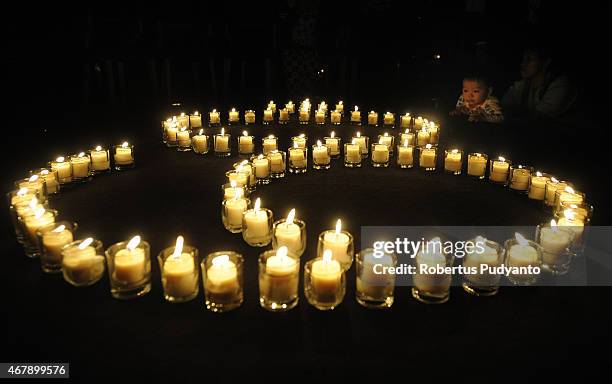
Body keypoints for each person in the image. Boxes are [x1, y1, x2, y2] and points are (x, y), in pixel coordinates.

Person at [502, 45, 576, 118]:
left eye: (529, 59)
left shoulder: (560, 86)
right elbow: (504, 106)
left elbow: (538, 118)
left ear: (546, 62)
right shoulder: (522, 85)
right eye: (523, 59)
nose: (523, 64)